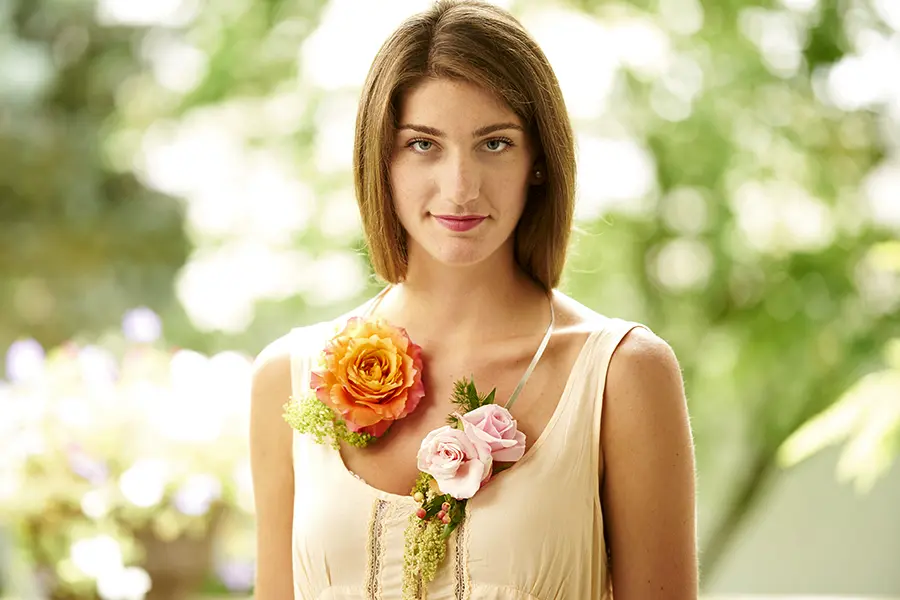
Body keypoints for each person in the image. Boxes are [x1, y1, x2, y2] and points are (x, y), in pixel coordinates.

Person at [250, 1, 698, 598]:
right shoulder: (287, 376)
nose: (460, 187)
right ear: (379, 159)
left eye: (494, 144)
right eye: (422, 145)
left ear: (538, 160)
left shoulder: (623, 375)